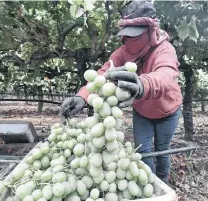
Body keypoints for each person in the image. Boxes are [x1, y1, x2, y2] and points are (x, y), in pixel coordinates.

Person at [59, 0, 182, 183]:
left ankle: (162, 181)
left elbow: (165, 74)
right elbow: (103, 74)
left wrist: (142, 85)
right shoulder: (123, 52)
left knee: (162, 151)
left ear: (151, 31)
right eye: (127, 37)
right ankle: (149, 184)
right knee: (142, 151)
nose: (130, 42)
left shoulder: (164, 50)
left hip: (167, 112)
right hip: (142, 112)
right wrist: (82, 96)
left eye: (136, 36)